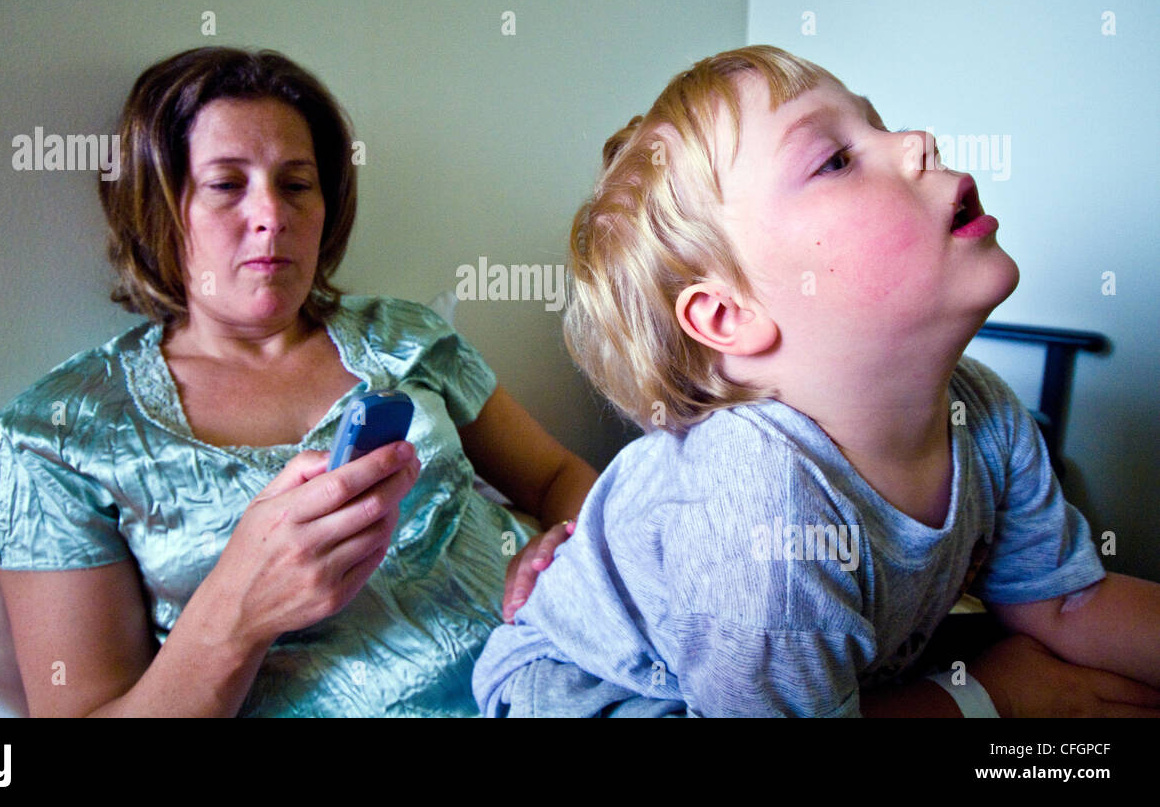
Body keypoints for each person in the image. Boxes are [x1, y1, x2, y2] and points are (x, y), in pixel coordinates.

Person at [472, 45, 1160, 717]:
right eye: (835, 159)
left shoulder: (983, 413)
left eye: (879, 122)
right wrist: (990, 694)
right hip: (593, 692)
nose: (919, 141)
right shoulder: (756, 505)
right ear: (727, 314)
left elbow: (1064, 603)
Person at [0, 46, 597, 717]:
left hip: (561, 681)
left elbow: (557, 475)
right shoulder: (57, 435)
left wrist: (559, 552)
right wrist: (238, 611)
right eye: (226, 184)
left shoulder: (406, 338)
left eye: (296, 184)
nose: (272, 215)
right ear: (157, 206)